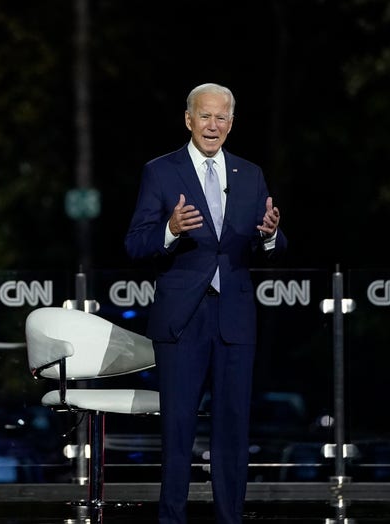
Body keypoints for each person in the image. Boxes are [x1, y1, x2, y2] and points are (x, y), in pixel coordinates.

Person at [124, 82, 286, 524]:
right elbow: (136, 244)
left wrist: (270, 234)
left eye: (221, 118)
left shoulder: (249, 175)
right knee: (177, 429)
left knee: (233, 429)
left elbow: (274, 241)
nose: (212, 125)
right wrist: (171, 229)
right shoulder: (160, 172)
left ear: (231, 124)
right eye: (205, 116)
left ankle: (229, 517)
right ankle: (172, 517)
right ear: (188, 119)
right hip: (182, 320)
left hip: (234, 318)